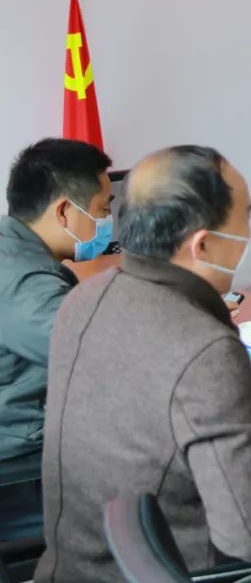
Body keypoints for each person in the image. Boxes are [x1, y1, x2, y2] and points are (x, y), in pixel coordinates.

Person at [35, 145, 251, 581]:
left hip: (70, 568)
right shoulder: (204, 349)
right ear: (203, 244)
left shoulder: (82, 299)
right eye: (247, 219)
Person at [0, 138, 112, 542]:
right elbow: (104, 355)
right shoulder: (27, 284)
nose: (107, 221)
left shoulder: (11, 249)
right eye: (103, 209)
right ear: (64, 211)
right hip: (20, 472)